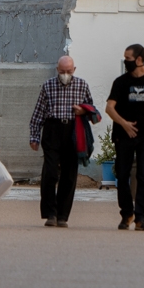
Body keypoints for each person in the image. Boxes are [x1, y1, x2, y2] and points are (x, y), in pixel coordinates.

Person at [28, 55, 100, 228]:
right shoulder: (48, 86)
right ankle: (50, 213)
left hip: (73, 131)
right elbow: (38, 113)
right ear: (57, 70)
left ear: (74, 70)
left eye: (68, 71)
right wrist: (34, 137)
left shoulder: (82, 85)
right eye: (62, 71)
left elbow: (92, 110)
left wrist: (82, 111)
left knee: (69, 175)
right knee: (50, 172)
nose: (65, 74)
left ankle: (62, 215)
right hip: (53, 129)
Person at [105, 43, 144, 231]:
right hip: (123, 136)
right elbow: (109, 108)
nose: (126, 62)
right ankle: (126, 214)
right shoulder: (120, 82)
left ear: (139, 60)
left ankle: (140, 217)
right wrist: (124, 124)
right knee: (122, 175)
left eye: (128, 58)